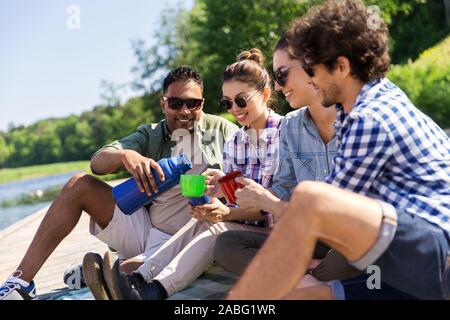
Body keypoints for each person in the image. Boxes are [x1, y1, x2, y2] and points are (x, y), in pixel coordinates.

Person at [228, 0, 450, 300]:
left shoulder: (369, 119)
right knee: (303, 296)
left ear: (341, 67)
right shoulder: (370, 100)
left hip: (433, 254)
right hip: (399, 255)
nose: (310, 78)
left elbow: (320, 212)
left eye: (312, 69)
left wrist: (269, 206)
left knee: (311, 198)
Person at [0, 66, 238, 300]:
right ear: (163, 103)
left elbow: (249, 177)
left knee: (131, 273)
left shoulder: (223, 131)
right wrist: (126, 156)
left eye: (192, 104)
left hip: (197, 235)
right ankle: (20, 283)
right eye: (176, 104)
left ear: (202, 104)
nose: (185, 111)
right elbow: (97, 164)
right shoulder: (150, 134)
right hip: (147, 229)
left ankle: (110, 272)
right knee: (79, 184)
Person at [99, 48, 284, 300]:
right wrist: (217, 191)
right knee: (202, 220)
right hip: (245, 225)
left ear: (264, 94)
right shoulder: (237, 141)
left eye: (241, 100)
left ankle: (152, 291)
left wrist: (226, 212)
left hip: (280, 228)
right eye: (227, 103)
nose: (235, 109)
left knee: (215, 228)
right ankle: (139, 279)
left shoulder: (285, 134)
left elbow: (271, 204)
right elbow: (239, 196)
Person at [214, 34, 360, 287]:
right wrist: (257, 194)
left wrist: (268, 203)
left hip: (351, 234)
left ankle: (306, 278)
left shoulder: (357, 118)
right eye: (227, 103)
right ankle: (313, 276)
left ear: (311, 66)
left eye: (282, 75)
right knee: (227, 246)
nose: (280, 87)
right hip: (312, 237)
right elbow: (284, 186)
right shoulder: (292, 125)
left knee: (353, 253)